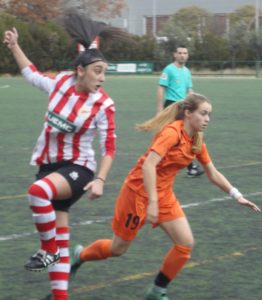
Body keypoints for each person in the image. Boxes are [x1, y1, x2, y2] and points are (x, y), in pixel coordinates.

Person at [70, 93, 260, 300]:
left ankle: (157, 291)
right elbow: (148, 165)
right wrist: (152, 202)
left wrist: (236, 195)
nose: (207, 119)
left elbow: (212, 173)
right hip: (137, 195)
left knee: (185, 243)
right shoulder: (172, 133)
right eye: (203, 114)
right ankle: (80, 255)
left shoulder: (197, 140)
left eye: (209, 115)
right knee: (117, 249)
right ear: (188, 113)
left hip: (164, 196)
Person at [3, 12, 121, 300]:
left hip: (79, 170)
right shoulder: (60, 84)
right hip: (48, 167)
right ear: (80, 70)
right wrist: (14, 45)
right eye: (97, 71)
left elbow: (109, 147)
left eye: (105, 72)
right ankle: (60, 295)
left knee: (37, 193)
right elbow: (31, 73)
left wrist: (101, 179)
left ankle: (47, 250)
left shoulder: (103, 104)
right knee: (62, 236)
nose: (102, 78)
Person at [157, 45, 203, 177]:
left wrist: (196, 105)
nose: (182, 55)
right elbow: (161, 88)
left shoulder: (187, 72)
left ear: (187, 55)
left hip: (184, 106)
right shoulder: (169, 70)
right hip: (171, 105)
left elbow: (189, 90)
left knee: (184, 135)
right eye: (180, 53)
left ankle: (188, 166)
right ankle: (189, 167)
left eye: (185, 53)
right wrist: (160, 110)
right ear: (175, 55)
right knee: (174, 135)